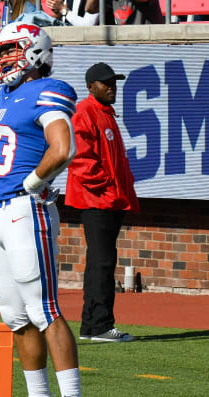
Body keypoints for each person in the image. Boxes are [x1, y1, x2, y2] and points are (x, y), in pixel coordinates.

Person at [0, 22, 92, 397]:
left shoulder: (49, 89)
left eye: (10, 51)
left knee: (45, 311)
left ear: (35, 50)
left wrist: (32, 182)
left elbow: (63, 148)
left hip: (26, 210)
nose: (3, 59)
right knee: (14, 315)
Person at [65, 62, 140, 342]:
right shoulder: (85, 112)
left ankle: (91, 325)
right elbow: (81, 160)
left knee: (101, 262)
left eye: (114, 82)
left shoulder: (104, 114)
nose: (112, 87)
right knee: (103, 263)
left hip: (107, 200)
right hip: (97, 201)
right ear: (91, 86)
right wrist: (109, 187)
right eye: (105, 83)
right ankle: (100, 326)